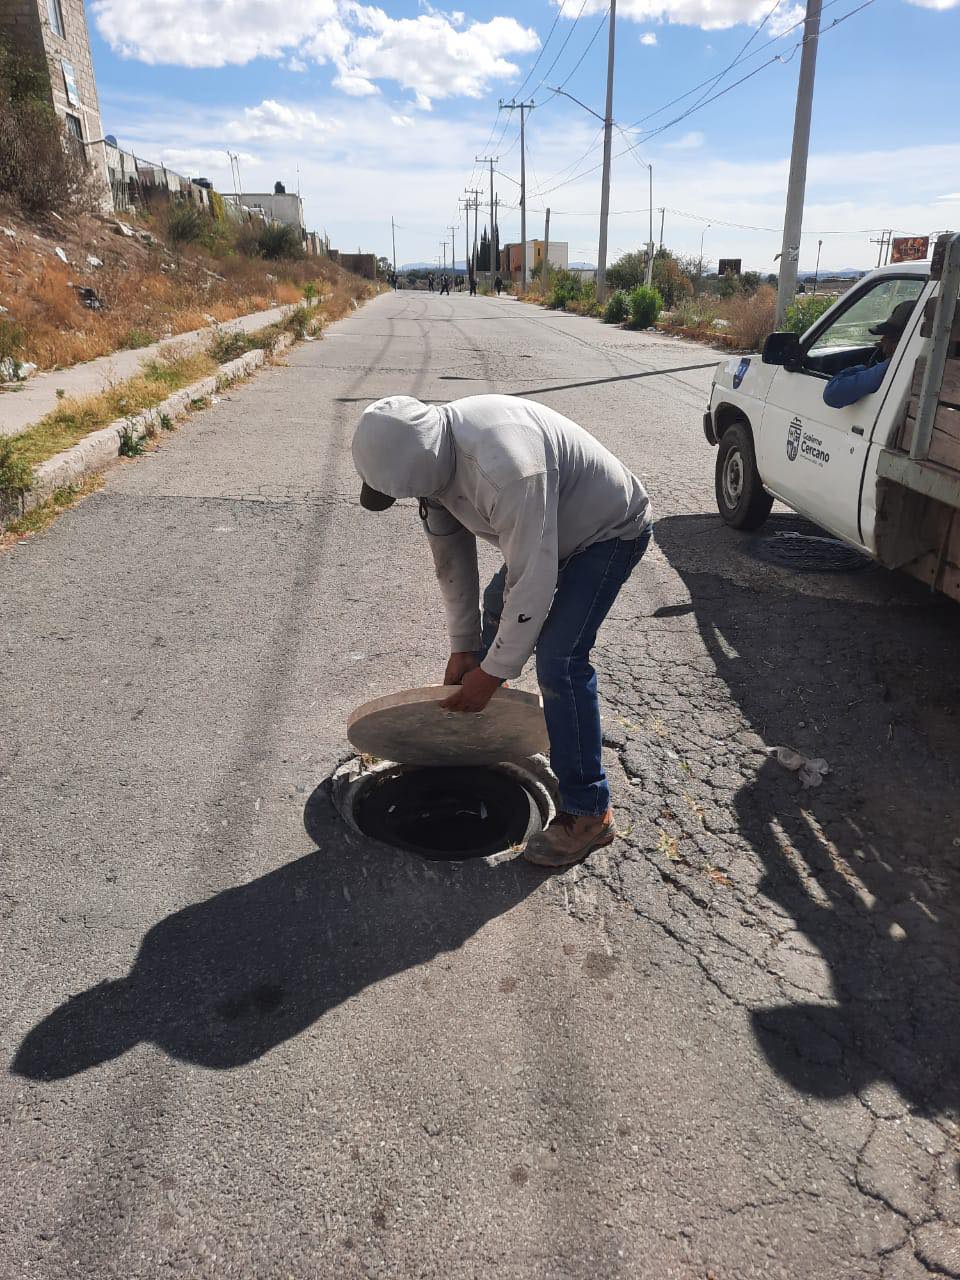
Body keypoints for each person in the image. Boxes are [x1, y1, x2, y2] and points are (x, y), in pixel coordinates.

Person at [352, 395, 653, 869]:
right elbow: (451, 558)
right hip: (551, 531)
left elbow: (533, 579)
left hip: (606, 532)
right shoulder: (433, 458)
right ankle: (491, 709)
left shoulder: (507, 467)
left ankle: (590, 814)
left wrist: (491, 673)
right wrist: (466, 649)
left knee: (560, 660)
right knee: (497, 609)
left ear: (428, 469)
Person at [822, 299, 916, 409]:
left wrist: (864, 368)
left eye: (889, 336)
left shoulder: (893, 367)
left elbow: (833, 394)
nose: (882, 340)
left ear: (903, 341)